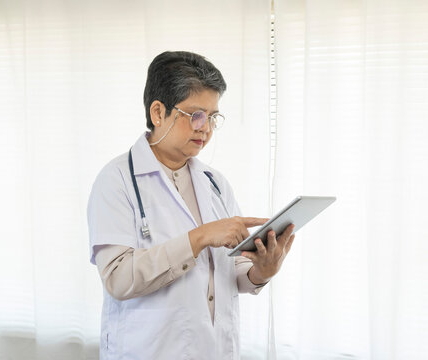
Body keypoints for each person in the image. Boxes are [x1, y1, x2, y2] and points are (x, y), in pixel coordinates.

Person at [87, 51, 296, 360]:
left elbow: (228, 270)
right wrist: (198, 238)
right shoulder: (116, 180)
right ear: (158, 112)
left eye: (213, 117)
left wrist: (260, 271)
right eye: (197, 116)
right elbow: (118, 279)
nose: (206, 129)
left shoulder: (214, 182)